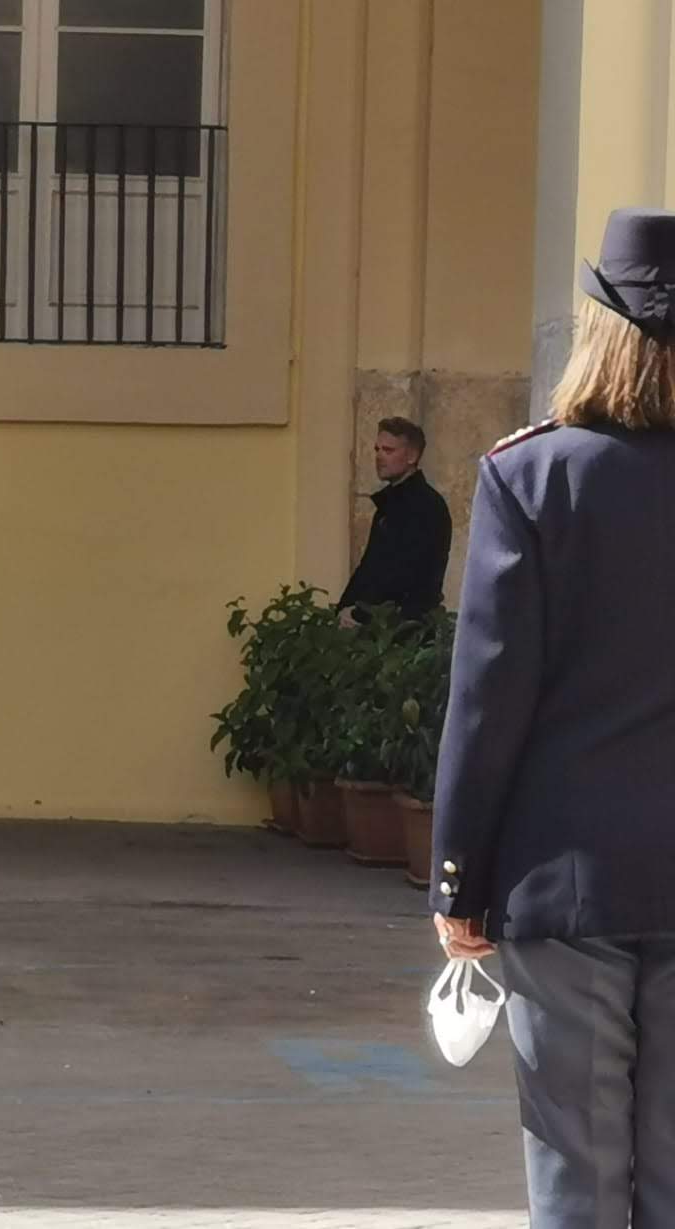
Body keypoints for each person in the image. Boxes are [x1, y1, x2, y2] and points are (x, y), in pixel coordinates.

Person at [432, 207, 675, 1226]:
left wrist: (460, 877)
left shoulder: (531, 474)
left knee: (577, 1172)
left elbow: (489, 697)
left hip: (564, 878)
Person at [337, 417, 451, 623]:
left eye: (388, 450)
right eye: (377, 449)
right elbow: (369, 566)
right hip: (376, 622)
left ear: (412, 456)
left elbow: (407, 574)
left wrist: (358, 614)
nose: (379, 456)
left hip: (402, 627)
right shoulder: (389, 504)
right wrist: (343, 609)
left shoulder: (426, 506)